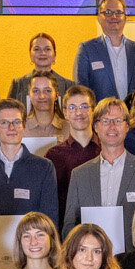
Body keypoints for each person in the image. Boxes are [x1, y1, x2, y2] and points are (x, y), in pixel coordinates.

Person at [0, 98, 61, 256]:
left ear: (24, 126)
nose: (11, 127)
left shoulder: (44, 167)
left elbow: (49, 218)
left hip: (32, 257)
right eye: (4, 122)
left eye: (17, 122)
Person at [62, 97, 135, 237]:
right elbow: (69, 226)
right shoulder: (79, 175)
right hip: (92, 256)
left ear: (127, 127)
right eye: (105, 121)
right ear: (96, 126)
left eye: (118, 121)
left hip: (134, 256)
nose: (112, 126)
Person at [73, 0, 135, 102]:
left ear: (125, 17)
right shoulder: (87, 49)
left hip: (134, 117)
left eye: (118, 12)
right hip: (101, 116)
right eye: (107, 12)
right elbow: (80, 90)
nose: (113, 16)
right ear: (98, 18)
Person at [45, 86, 101, 221]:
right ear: (65, 113)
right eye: (72, 107)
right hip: (68, 229)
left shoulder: (106, 150)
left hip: (102, 226)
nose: (78, 112)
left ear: (93, 110)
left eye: (84, 107)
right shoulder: (53, 156)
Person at [8, 31, 75, 106]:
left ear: (54, 55)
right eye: (37, 49)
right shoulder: (17, 85)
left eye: (47, 49)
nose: (42, 53)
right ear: (30, 55)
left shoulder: (69, 86)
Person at [22, 71, 68, 140]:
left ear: (56, 95)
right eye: (36, 91)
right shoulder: (20, 128)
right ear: (30, 96)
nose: (41, 96)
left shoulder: (69, 128)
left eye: (47, 90)